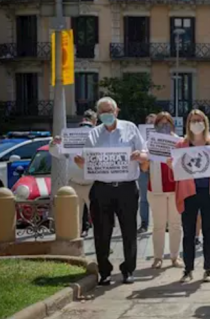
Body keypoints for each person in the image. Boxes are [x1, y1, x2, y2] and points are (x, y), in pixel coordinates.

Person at [75, 97, 148, 285]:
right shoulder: (93, 134)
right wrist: (81, 162)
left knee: (129, 231)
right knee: (101, 232)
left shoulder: (130, 128)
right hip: (101, 189)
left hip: (126, 188)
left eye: (110, 111)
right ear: (98, 115)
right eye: (103, 112)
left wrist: (140, 156)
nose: (107, 114)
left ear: (117, 111)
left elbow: (145, 153)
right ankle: (105, 271)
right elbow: (86, 160)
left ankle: (128, 270)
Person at [169, 109, 210, 283]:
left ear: (205, 122)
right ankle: (188, 270)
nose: (196, 123)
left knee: (209, 232)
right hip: (189, 193)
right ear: (188, 124)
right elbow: (176, 174)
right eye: (193, 120)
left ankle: (208, 269)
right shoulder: (181, 145)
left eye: (200, 120)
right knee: (188, 233)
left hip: (209, 192)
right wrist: (172, 166)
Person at [139, 112, 184, 270]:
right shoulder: (150, 142)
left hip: (175, 189)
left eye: (167, 123)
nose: (164, 126)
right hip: (156, 188)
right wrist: (144, 160)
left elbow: (185, 165)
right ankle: (158, 258)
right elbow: (144, 168)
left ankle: (175, 257)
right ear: (155, 125)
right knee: (158, 225)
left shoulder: (180, 142)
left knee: (175, 224)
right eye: (160, 124)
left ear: (172, 125)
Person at [49, 110, 97, 238]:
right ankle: (75, 245)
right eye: (82, 126)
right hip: (74, 185)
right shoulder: (70, 140)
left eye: (89, 127)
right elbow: (56, 153)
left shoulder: (98, 138)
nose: (85, 129)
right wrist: (54, 143)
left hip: (93, 185)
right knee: (74, 219)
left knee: (99, 218)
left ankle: (103, 245)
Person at [138, 113, 157, 234]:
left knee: (158, 197)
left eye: (153, 123)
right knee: (144, 198)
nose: (151, 125)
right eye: (148, 122)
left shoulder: (163, 137)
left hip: (157, 171)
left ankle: (161, 223)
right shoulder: (140, 138)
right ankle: (144, 223)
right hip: (144, 170)